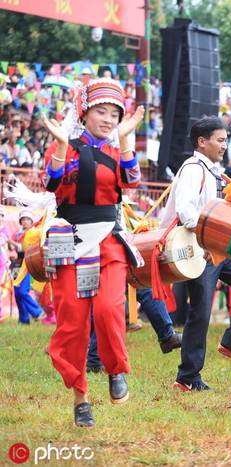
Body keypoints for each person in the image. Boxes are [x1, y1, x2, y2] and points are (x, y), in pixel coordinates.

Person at [41, 78, 145, 427]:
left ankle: (116, 369)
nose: (109, 119)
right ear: (84, 113)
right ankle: (80, 396)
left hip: (106, 239)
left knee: (109, 309)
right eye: (101, 111)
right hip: (67, 237)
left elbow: (131, 181)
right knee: (72, 320)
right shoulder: (65, 147)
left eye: (115, 114)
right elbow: (51, 183)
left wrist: (127, 137)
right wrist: (58, 144)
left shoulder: (117, 151)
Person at [159, 116, 231, 391]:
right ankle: (188, 377)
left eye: (226, 139)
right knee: (201, 312)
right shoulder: (194, 168)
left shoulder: (214, 171)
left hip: (215, 248)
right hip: (198, 249)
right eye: (220, 139)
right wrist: (206, 238)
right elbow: (185, 210)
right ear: (202, 142)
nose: (225, 145)